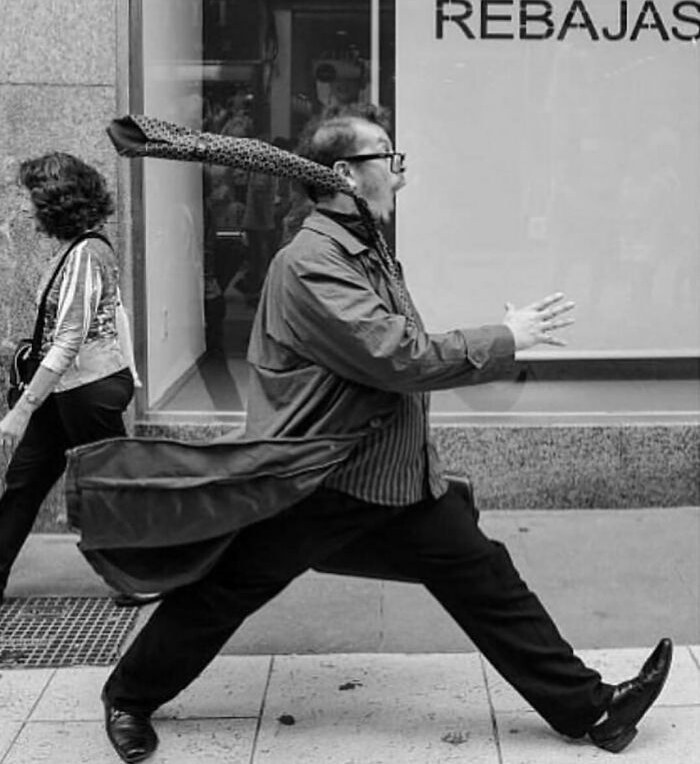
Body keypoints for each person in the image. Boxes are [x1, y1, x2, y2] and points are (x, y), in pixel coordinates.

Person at [100, 106, 671, 763]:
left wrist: (497, 352)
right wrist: (505, 338)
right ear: (344, 173)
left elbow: (403, 353)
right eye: (389, 159)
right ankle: (128, 696)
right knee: (224, 592)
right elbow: (397, 357)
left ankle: (593, 709)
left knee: (483, 576)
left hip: (390, 475)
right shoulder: (312, 262)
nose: (401, 175)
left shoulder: (362, 248)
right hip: (320, 480)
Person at [0, 153, 155, 608]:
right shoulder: (77, 250)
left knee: (107, 488)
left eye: (30, 198)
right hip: (66, 388)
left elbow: (69, 339)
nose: (22, 208)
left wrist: (21, 411)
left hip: (86, 391)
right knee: (25, 482)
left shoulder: (87, 253)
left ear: (55, 201)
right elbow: (116, 313)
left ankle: (135, 576)